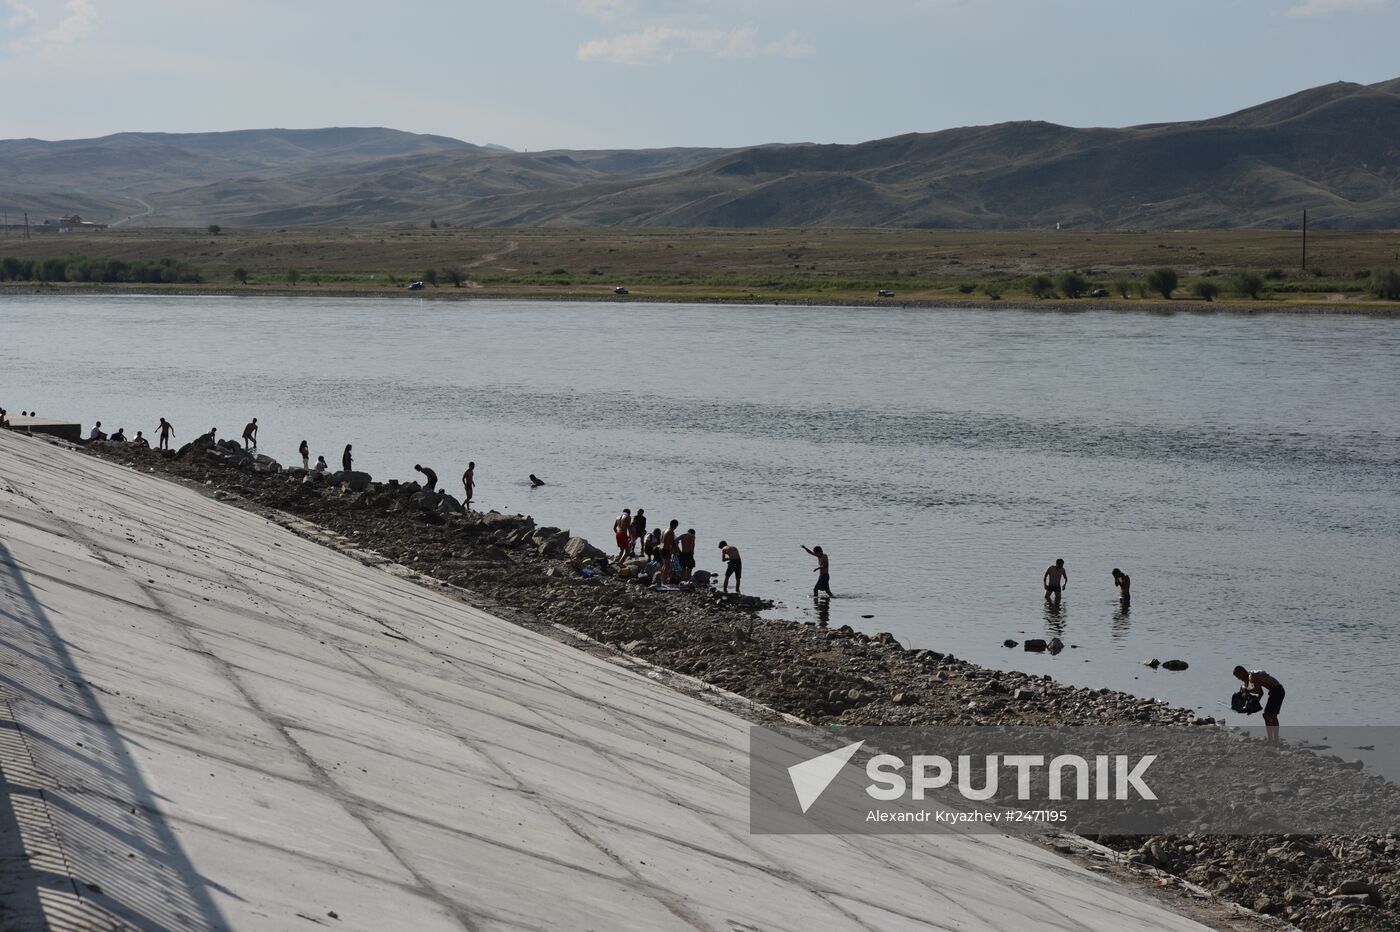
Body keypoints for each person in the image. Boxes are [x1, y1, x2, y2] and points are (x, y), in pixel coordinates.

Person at [1233, 666, 1285, 744]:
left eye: (1238, 676)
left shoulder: (1251, 677)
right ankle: (1273, 739)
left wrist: (1247, 690)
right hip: (1275, 691)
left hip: (1277, 690)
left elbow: (1258, 691)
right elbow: (1260, 693)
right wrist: (1251, 707)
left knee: (1269, 715)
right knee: (1269, 715)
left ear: (1242, 672)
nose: (1238, 679)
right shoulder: (1248, 678)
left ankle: (1273, 740)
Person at [660, 519, 679, 584]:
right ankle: (664, 582)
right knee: (667, 566)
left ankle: (662, 580)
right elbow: (669, 544)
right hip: (666, 550)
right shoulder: (671, 532)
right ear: (676, 526)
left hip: (661, 548)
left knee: (664, 565)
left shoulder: (664, 530)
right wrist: (674, 552)